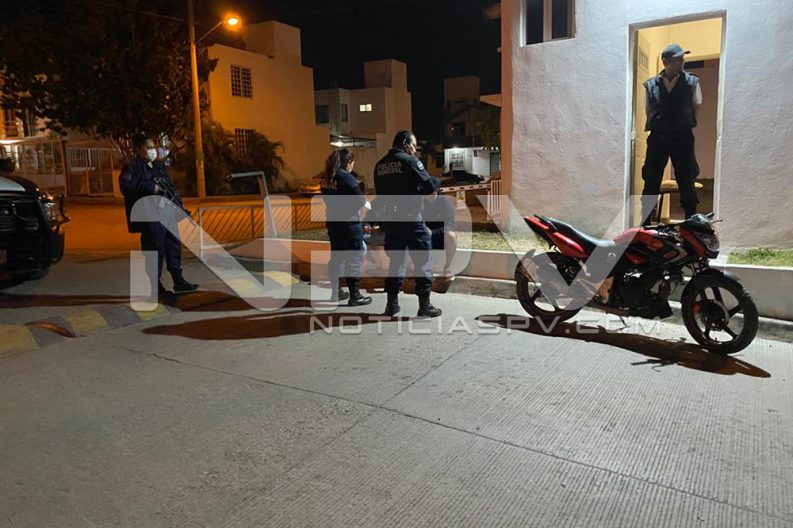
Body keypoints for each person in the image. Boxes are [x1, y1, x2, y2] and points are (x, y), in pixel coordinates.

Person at [120, 134, 198, 296]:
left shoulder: (159, 166)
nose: (152, 151)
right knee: (154, 249)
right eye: (148, 148)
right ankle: (155, 287)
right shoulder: (132, 167)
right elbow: (126, 187)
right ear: (138, 149)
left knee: (173, 245)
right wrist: (150, 187)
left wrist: (179, 208)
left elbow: (170, 190)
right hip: (149, 215)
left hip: (166, 213)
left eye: (153, 147)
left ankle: (178, 280)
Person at [374, 130, 441, 317]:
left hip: (390, 220)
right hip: (411, 219)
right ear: (405, 143)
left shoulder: (380, 165)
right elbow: (429, 187)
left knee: (396, 262)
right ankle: (425, 305)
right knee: (423, 260)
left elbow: (380, 195)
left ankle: (391, 304)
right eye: (413, 145)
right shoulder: (410, 161)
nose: (414, 149)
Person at [641, 43, 702, 224]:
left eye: (682, 58)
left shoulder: (691, 82)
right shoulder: (650, 85)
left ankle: (691, 223)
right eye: (677, 59)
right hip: (658, 137)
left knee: (686, 178)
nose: (682, 62)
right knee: (651, 178)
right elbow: (648, 110)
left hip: (682, 136)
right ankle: (645, 224)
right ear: (665, 61)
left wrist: (682, 125)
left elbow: (696, 107)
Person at [320, 148, 372, 306]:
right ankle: (355, 296)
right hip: (349, 224)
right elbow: (360, 201)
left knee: (336, 258)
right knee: (354, 258)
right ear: (348, 162)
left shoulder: (327, 177)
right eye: (352, 163)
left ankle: (336, 292)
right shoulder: (347, 178)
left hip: (333, 223)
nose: (352, 166)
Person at [423, 176, 457, 279]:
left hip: (440, 235)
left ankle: (447, 268)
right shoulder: (422, 203)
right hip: (424, 235)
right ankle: (419, 269)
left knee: (451, 236)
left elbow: (451, 224)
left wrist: (433, 232)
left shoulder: (444, 202)